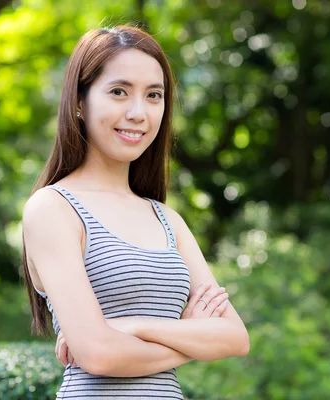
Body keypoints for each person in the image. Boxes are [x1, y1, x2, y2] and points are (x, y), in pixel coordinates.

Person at [21, 25, 250, 399]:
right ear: (79, 102)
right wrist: (192, 337)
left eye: (154, 95)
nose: (138, 112)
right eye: (118, 92)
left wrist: (129, 325)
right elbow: (98, 355)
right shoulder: (53, 209)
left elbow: (235, 338)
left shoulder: (167, 219)